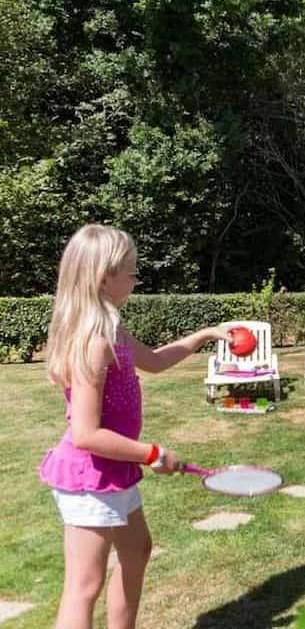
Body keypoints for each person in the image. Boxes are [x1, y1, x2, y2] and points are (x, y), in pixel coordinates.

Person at [38, 224, 231, 629]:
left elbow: (155, 361)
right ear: (103, 277)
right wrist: (152, 454)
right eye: (131, 272)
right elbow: (85, 434)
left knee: (137, 550)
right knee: (84, 585)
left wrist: (206, 334)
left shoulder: (114, 331)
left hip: (113, 471)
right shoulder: (94, 341)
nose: (135, 280)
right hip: (90, 476)